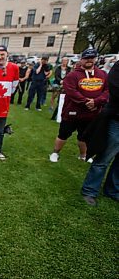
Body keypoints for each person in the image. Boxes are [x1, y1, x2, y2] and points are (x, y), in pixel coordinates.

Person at [49, 48, 109, 163]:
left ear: (96, 59)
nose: (89, 60)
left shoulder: (102, 74)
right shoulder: (73, 75)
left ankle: (83, 155)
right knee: (63, 134)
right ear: (81, 60)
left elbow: (107, 91)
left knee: (84, 136)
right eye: (86, 58)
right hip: (72, 112)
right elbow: (71, 91)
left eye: (92, 58)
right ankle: (55, 153)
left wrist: (96, 101)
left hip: (92, 113)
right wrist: (86, 101)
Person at [81, 61, 119, 206]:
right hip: (116, 120)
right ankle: (90, 190)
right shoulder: (118, 68)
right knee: (104, 158)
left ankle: (113, 190)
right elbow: (114, 87)